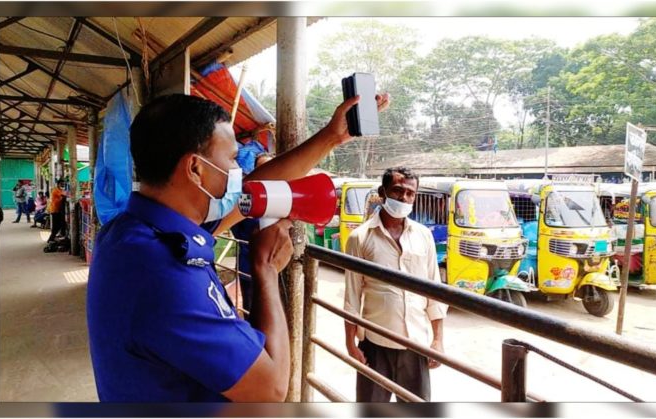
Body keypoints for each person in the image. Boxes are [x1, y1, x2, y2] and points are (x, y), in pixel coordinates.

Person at [87, 92, 390, 402]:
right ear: (195, 168)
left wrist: (331, 137)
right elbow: (270, 390)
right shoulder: (166, 272)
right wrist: (267, 270)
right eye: (232, 159)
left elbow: (252, 188)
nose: (238, 173)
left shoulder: (130, 232)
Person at [343, 166, 447, 402]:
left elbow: (435, 289)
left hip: (416, 343)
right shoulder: (360, 237)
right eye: (398, 190)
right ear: (383, 192)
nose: (404, 198)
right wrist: (350, 341)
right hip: (375, 343)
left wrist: (438, 340)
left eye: (410, 193)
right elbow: (352, 293)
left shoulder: (423, 236)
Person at [230, 152, 274, 317]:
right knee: (251, 310)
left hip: (276, 266)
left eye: (270, 167)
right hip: (248, 265)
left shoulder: (280, 196)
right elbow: (235, 226)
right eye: (262, 168)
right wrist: (248, 241)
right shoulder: (246, 198)